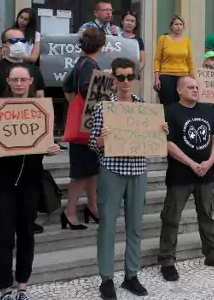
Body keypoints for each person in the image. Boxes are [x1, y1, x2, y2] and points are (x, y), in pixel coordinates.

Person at [0, 64, 61, 300]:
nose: (18, 84)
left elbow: (43, 146)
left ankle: (22, 285)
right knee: (2, 236)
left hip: (30, 183)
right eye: (14, 80)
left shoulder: (40, 110)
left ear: (30, 82)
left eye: (23, 80)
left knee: (27, 234)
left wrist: (52, 148)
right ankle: (5, 288)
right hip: (1, 184)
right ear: (8, 81)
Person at [89, 58, 169, 299]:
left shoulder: (144, 106)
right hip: (111, 170)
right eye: (121, 77)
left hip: (137, 170)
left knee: (135, 226)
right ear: (113, 79)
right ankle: (106, 279)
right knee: (107, 227)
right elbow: (94, 143)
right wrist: (103, 137)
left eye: (130, 77)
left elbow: (153, 140)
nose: (125, 82)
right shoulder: (103, 107)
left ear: (134, 79)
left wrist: (161, 131)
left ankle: (131, 275)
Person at [159, 76, 214, 282]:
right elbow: (167, 143)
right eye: (190, 87)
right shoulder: (170, 112)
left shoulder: (207, 110)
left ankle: (213, 254)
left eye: (196, 87)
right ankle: (167, 260)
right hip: (180, 175)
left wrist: (210, 160)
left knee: (207, 215)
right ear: (179, 90)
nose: (195, 90)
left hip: (206, 174)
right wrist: (191, 164)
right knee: (172, 217)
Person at [0, 27, 47, 242]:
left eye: (22, 39)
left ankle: (25, 219)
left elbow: (41, 104)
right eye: (13, 39)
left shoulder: (33, 72)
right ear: (4, 44)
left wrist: (45, 137)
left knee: (26, 181)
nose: (18, 42)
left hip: (27, 139)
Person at [61, 27, 106, 230]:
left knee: (92, 170)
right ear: (102, 46)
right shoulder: (90, 64)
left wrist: (72, 103)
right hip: (87, 127)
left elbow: (66, 84)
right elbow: (89, 89)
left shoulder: (81, 62)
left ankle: (92, 206)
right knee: (80, 172)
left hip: (86, 125)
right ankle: (70, 211)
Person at [153, 16, 195, 106]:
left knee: (183, 103)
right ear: (171, 26)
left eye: (181, 24)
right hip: (167, 75)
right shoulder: (163, 39)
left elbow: (190, 61)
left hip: (183, 76)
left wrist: (192, 79)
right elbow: (157, 59)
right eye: (176, 24)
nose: (179, 26)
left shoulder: (186, 40)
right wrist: (156, 78)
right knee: (168, 104)